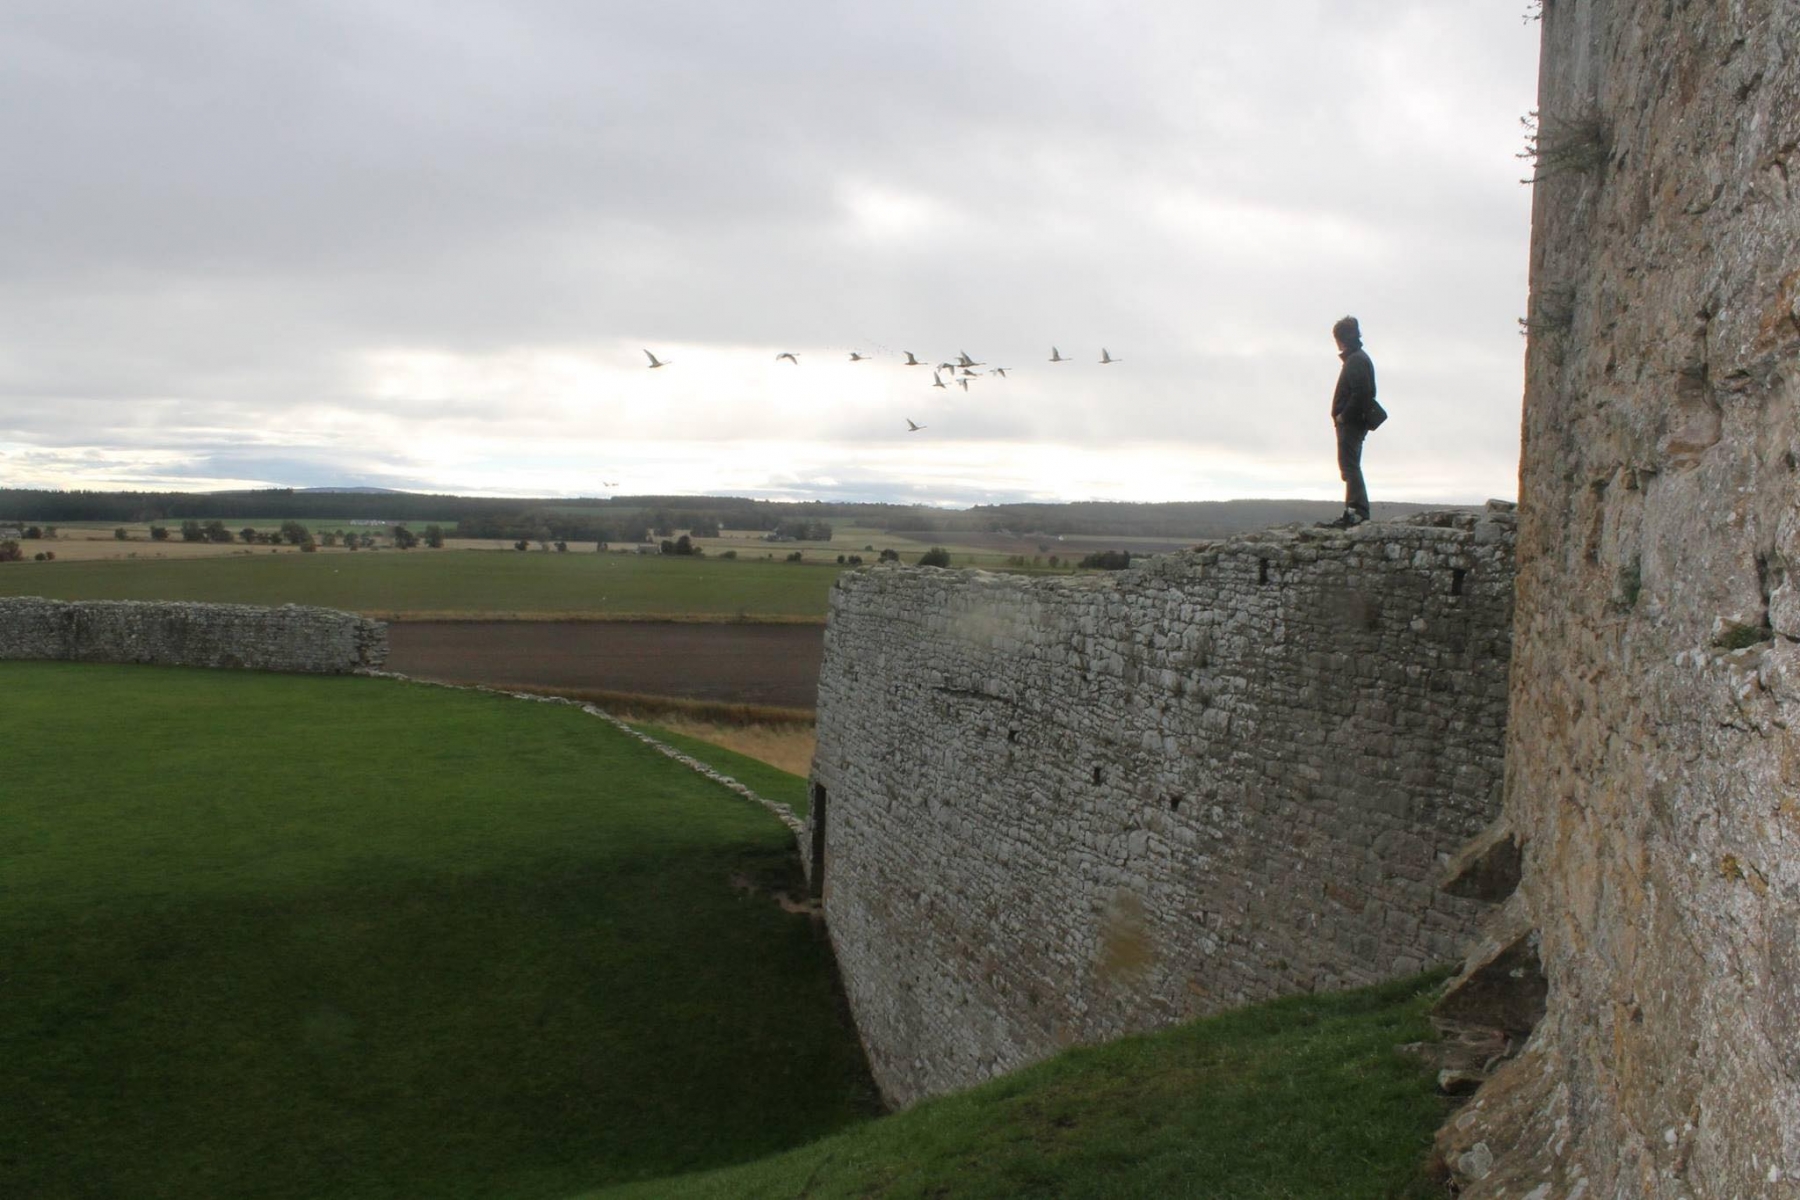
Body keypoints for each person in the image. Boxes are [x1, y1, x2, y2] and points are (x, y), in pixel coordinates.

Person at [1324, 315, 1377, 529]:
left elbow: (1361, 393)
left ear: (1342, 339)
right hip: (1355, 422)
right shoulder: (1359, 358)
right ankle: (1354, 510)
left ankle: (1357, 512)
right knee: (1350, 465)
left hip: (1352, 423)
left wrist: (1343, 416)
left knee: (1350, 465)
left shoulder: (1355, 360)